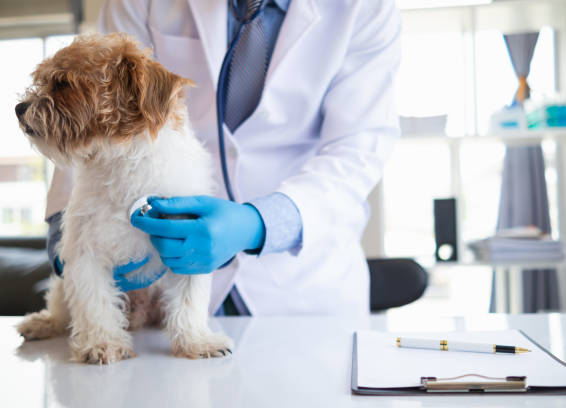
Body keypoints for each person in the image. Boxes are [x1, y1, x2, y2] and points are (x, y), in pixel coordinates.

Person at [45, 0, 401, 316]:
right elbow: (87, 122)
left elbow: (356, 148)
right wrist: (65, 230)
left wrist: (260, 223)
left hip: (301, 290)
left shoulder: (364, 8)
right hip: (158, 291)